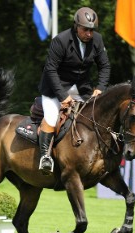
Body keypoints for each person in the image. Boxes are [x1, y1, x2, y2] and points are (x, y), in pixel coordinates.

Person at [37, 7, 111, 175]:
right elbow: (50, 70)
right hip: (55, 88)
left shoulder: (97, 40)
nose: (89, 33)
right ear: (76, 26)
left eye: (92, 30)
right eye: (85, 29)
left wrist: (100, 88)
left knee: (95, 115)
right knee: (51, 116)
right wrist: (62, 96)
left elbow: (105, 66)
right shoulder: (61, 40)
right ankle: (45, 157)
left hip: (81, 88)